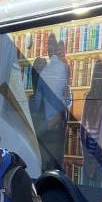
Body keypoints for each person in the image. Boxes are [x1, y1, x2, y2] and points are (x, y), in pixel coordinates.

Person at [29, 35, 70, 172]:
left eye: (42, 66)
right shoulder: (32, 100)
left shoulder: (56, 74)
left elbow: (66, 99)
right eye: (37, 67)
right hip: (43, 138)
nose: (40, 70)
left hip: (54, 134)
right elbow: (37, 124)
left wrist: (59, 117)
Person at [81, 58, 102, 187]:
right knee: (97, 199)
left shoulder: (87, 97)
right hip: (98, 156)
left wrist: (86, 160)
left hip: (87, 155)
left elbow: (82, 131)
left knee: (83, 197)